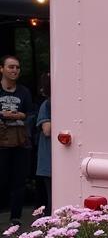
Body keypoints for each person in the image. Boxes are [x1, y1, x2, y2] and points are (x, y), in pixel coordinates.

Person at [0, 55, 35, 227]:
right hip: (1, 142)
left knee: (19, 180)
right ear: (2, 69)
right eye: (11, 67)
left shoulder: (24, 92)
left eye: (17, 67)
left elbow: (31, 114)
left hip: (20, 141)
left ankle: (16, 217)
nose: (15, 70)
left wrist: (22, 116)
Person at [36, 82, 51, 217]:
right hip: (48, 161)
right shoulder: (46, 105)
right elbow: (47, 130)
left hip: (54, 161)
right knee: (51, 198)